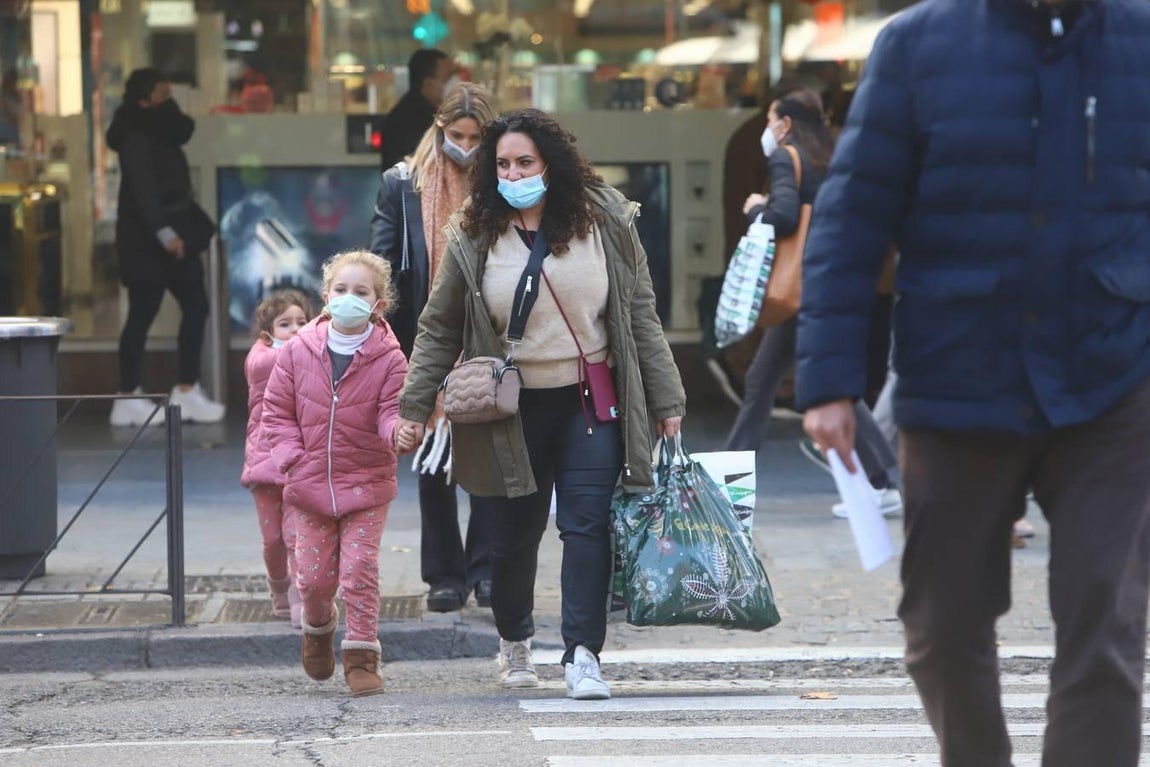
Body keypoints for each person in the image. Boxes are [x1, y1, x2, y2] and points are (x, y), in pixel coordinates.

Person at [797, 1, 1150, 764]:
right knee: (942, 624)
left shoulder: (1139, 36)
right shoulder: (918, 44)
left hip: (1115, 372)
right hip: (957, 370)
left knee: (1107, 626)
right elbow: (853, 216)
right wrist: (826, 379)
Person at [392, 109, 685, 701]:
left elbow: (639, 313)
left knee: (588, 527)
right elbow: (438, 326)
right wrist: (414, 407)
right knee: (512, 536)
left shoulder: (604, 219)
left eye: (525, 162)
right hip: (510, 410)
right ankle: (515, 639)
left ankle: (583, 655)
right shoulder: (474, 231)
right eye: (502, 164)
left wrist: (666, 397)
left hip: (589, 400)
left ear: (551, 163)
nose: (514, 174)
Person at [719, 88, 902, 518]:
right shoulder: (829, 158)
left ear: (785, 124)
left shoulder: (786, 157)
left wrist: (757, 208)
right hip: (821, 283)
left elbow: (783, 216)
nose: (768, 128)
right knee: (765, 382)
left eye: (771, 119)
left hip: (799, 291)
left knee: (824, 386)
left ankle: (884, 481)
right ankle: (729, 485)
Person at [370, 82, 499, 614]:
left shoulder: (503, 182)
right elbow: (383, 261)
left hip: (491, 338)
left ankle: (488, 570)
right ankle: (445, 575)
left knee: (491, 458)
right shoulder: (403, 184)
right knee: (433, 461)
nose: (464, 146)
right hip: (426, 338)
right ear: (439, 128)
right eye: (456, 135)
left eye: (475, 137)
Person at [260, 251, 409, 697]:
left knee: (359, 570)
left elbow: (390, 411)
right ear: (326, 297)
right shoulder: (297, 350)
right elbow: (276, 411)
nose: (349, 298)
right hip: (308, 486)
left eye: (361, 292)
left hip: (366, 484)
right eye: (341, 289)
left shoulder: (390, 358)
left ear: (378, 304)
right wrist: (292, 457)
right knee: (313, 579)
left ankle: (361, 657)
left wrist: (398, 432)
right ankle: (318, 629)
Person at [106, 67, 224, 427]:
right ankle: (128, 396)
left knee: (195, 305)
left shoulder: (163, 128)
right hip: (149, 242)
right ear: (144, 101)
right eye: (163, 96)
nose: (170, 102)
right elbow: (144, 191)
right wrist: (165, 234)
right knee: (143, 314)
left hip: (172, 237)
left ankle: (186, 389)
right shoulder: (135, 135)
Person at [241, 289, 312, 627]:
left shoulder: (308, 356)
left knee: (296, 536)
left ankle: (300, 596)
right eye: (285, 324)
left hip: (297, 463)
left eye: (302, 322)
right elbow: (264, 365)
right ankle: (278, 587)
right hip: (263, 462)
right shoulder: (261, 358)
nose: (296, 329)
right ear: (266, 334)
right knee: (273, 541)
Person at [379, 49, 453, 171]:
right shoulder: (412, 121)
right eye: (448, 78)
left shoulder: (424, 112)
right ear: (429, 84)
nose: (456, 82)